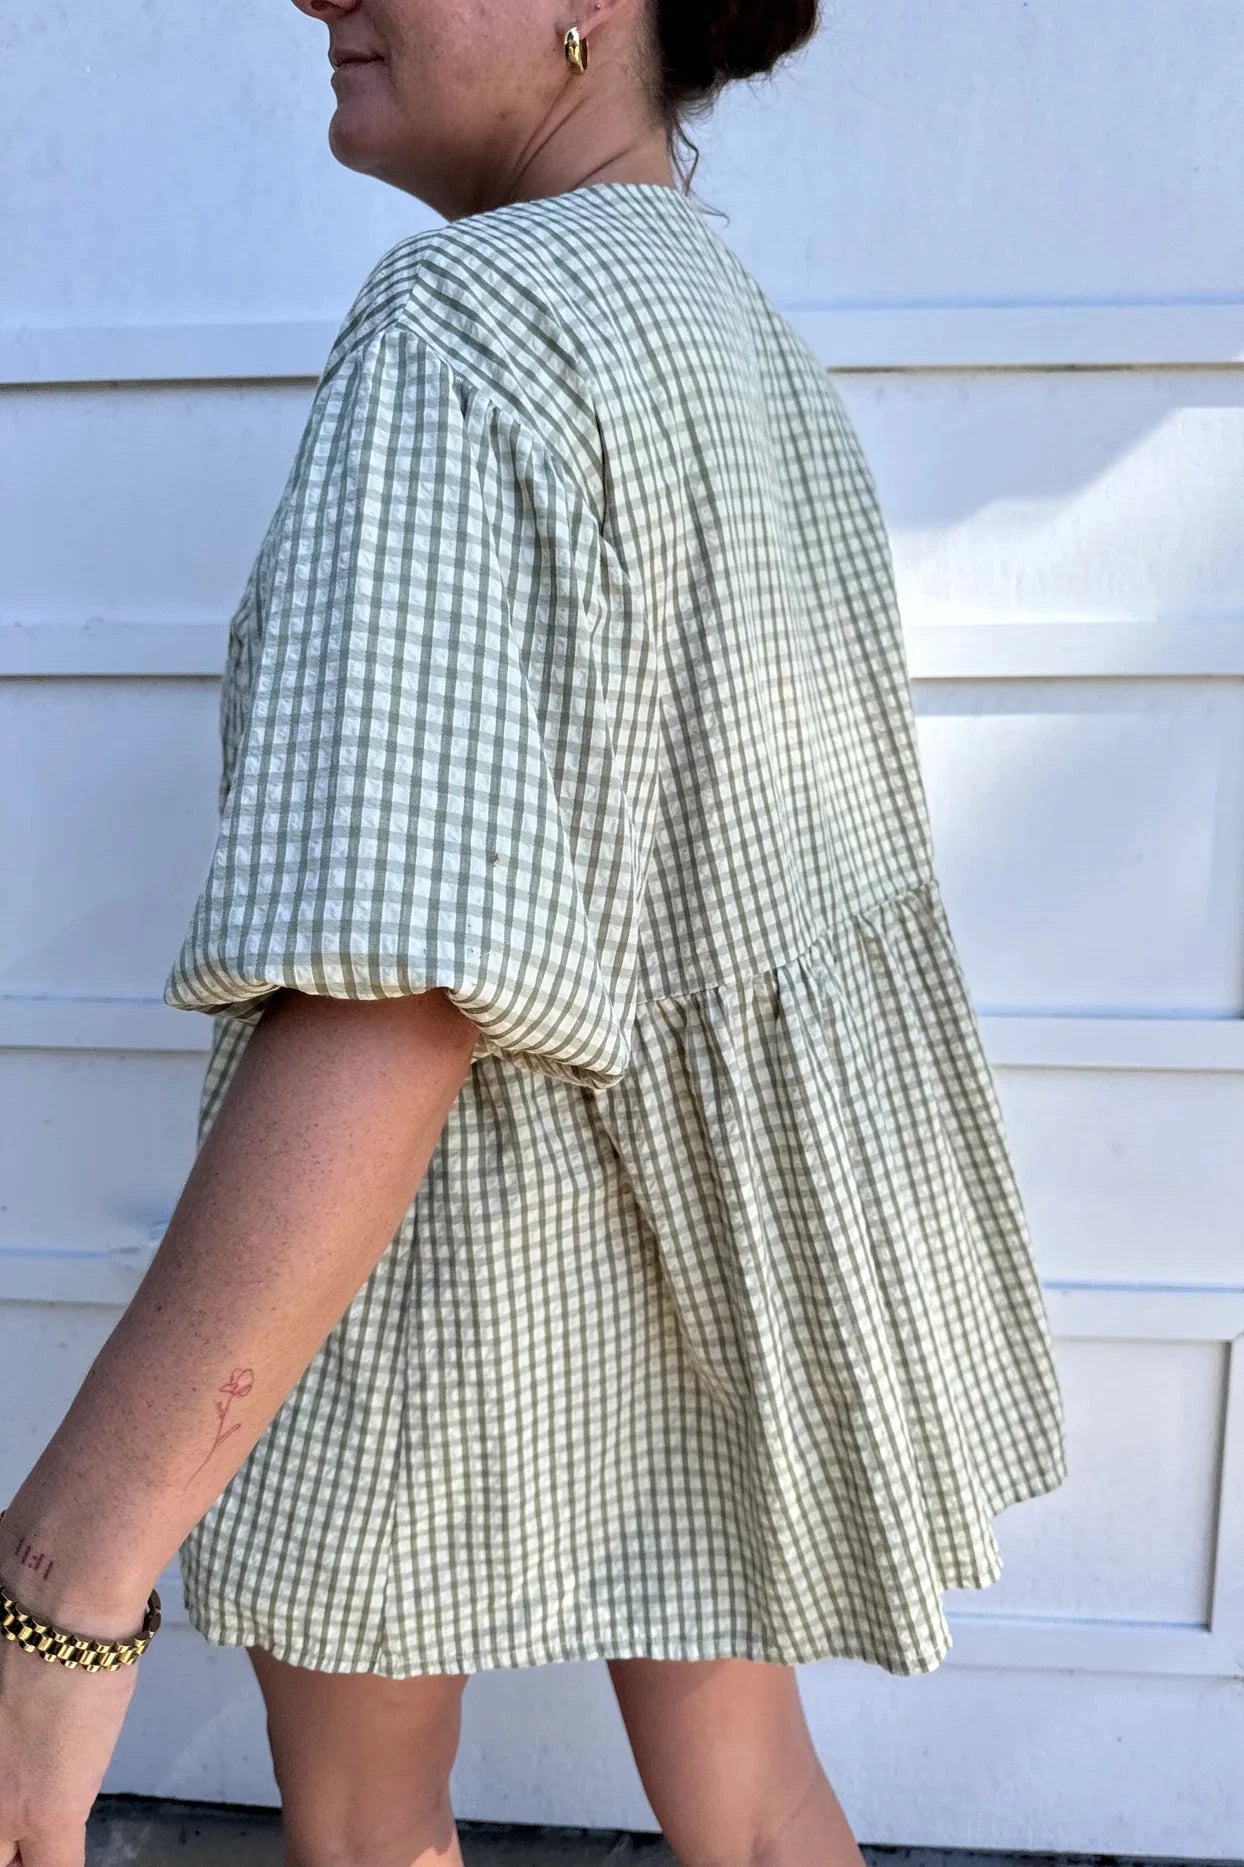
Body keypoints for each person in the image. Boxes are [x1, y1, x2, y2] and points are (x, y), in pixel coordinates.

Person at [0, 1, 1070, 1862]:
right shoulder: (734, 328)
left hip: (427, 1276)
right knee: (753, 1795)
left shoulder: (465, 331)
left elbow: (393, 986)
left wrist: (57, 1581)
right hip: (702, 1245)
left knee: (365, 1828)